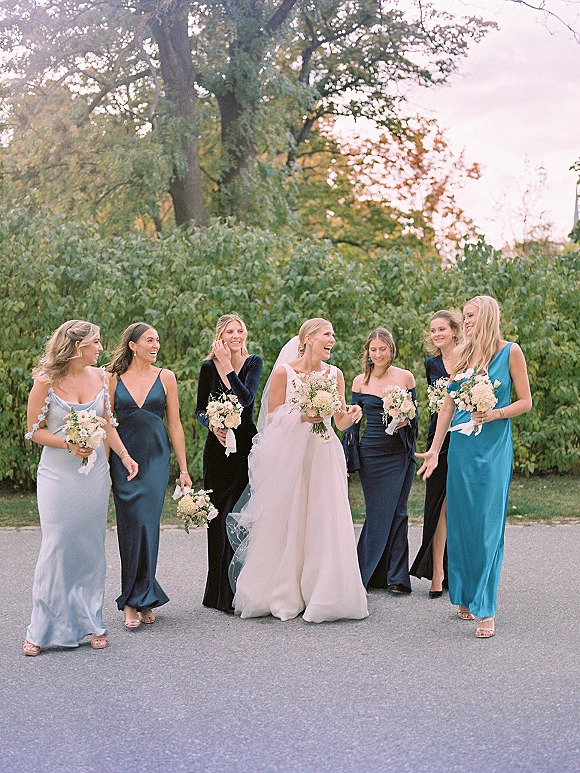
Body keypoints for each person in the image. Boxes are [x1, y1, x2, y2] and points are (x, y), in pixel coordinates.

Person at [228, 318, 368, 623]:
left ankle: (325, 591)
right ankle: (283, 590)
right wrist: (304, 417)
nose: (332, 340)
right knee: (290, 516)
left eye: (333, 335)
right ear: (308, 338)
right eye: (327, 335)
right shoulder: (284, 372)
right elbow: (272, 419)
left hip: (324, 451)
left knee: (324, 517)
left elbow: (338, 421)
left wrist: (351, 417)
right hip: (292, 455)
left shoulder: (336, 375)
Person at [416, 295, 532, 638]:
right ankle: (465, 596)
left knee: (486, 527)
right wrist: (436, 450)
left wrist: (494, 413)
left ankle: (486, 608)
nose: (465, 321)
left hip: (493, 448)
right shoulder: (463, 354)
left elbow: (525, 402)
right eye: (464, 316)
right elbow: (449, 407)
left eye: (470, 316)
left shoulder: (511, 351)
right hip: (462, 448)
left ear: (487, 316)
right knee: (463, 524)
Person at [23, 320, 138, 656]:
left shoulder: (103, 378)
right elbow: (34, 431)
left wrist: (125, 456)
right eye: (97, 343)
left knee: (90, 548)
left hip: (94, 476)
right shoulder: (46, 381)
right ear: (77, 347)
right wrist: (68, 444)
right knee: (56, 545)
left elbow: (108, 425)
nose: (101, 349)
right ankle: (41, 628)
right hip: (58, 475)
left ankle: (92, 623)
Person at [108, 322, 192, 628]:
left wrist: (183, 469)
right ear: (133, 345)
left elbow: (175, 425)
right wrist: (106, 468)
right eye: (149, 340)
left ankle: (143, 594)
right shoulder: (113, 378)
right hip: (124, 462)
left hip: (156, 460)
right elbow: (106, 425)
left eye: (157, 340)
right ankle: (132, 601)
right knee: (130, 528)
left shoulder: (166, 377)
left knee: (148, 526)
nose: (155, 345)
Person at [195, 314, 263, 613]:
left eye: (240, 331)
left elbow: (246, 399)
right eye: (229, 331)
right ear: (219, 336)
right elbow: (199, 409)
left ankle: (239, 588)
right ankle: (217, 593)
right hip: (217, 450)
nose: (236, 335)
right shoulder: (207, 367)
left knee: (237, 517)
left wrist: (227, 365)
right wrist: (213, 425)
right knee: (216, 519)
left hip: (245, 449)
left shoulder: (253, 362)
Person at [347, 328, 418, 595]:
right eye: (373, 350)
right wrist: (349, 458)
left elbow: (416, 419)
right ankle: (364, 573)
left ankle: (397, 578)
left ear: (391, 350)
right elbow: (353, 425)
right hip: (372, 453)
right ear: (368, 351)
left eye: (383, 349)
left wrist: (405, 419)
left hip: (400, 453)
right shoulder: (359, 382)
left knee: (399, 511)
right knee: (377, 512)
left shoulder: (405, 377)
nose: (378, 354)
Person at [410, 310, 462, 598]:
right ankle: (437, 572)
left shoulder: (470, 356)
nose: (437, 334)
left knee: (458, 502)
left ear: (454, 330)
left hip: (466, 432)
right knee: (437, 502)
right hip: (438, 436)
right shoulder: (431, 364)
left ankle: (458, 569)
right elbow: (434, 404)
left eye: (442, 329)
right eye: (433, 330)